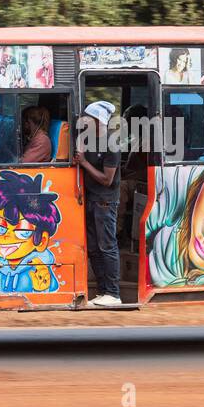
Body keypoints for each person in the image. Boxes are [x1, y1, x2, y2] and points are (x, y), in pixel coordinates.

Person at [75, 100, 121, 307]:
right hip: (92, 198)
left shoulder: (112, 143)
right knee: (94, 247)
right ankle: (103, 291)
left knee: (107, 246)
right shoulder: (89, 139)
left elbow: (106, 179)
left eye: (88, 117)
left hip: (105, 200)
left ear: (97, 120)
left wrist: (84, 163)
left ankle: (113, 293)